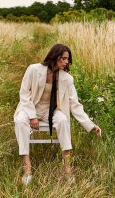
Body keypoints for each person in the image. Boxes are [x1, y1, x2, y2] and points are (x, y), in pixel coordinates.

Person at [14, 43, 102, 185]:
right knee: (20, 120)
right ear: (55, 57)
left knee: (63, 120)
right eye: (64, 58)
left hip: (52, 110)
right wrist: (32, 116)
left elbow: (75, 104)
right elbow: (24, 94)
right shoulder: (33, 70)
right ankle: (27, 169)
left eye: (68, 59)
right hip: (31, 107)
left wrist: (91, 125)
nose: (66, 62)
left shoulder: (67, 79)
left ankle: (67, 169)